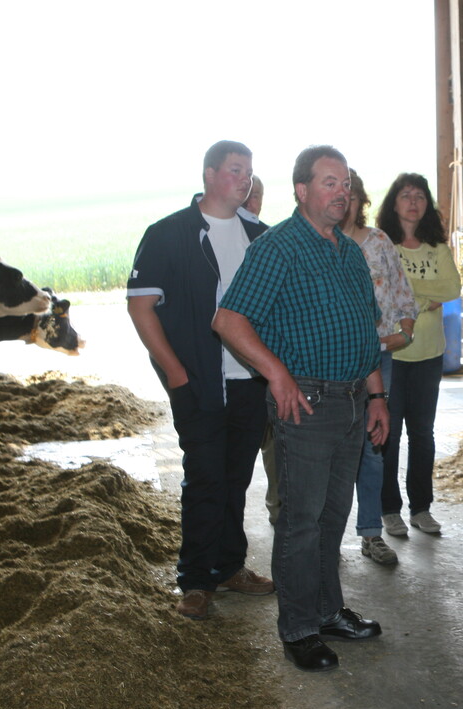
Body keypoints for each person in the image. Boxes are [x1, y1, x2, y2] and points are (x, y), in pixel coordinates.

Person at [212, 145, 387, 673]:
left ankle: (328, 611)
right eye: (329, 183)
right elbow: (229, 320)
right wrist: (278, 374)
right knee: (301, 522)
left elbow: (367, 330)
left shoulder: (350, 251)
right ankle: (299, 628)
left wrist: (376, 394)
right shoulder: (279, 247)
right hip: (307, 402)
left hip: (354, 399)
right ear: (302, 190)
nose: (342, 192)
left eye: (346, 184)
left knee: (333, 517)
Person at [127, 140, 274, 621]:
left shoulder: (261, 236)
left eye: (249, 172)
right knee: (205, 477)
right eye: (235, 170)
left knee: (237, 478)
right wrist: (175, 372)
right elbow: (140, 306)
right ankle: (194, 580)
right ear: (209, 174)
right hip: (199, 381)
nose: (244, 179)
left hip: (250, 381)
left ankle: (230, 567)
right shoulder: (170, 234)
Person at [375, 172, 461, 537]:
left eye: (420, 196)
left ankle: (421, 508)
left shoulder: (437, 248)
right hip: (392, 354)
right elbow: (387, 290)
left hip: (428, 353)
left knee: (423, 434)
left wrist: (411, 294)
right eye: (406, 195)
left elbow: (452, 287)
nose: (413, 201)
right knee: (389, 435)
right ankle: (388, 509)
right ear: (394, 203)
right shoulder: (383, 246)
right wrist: (425, 297)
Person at [344, 168, 419, 563]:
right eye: (337, 192)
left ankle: (371, 533)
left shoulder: (378, 242)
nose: (345, 201)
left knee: (374, 446)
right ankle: (324, 536)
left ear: (361, 200)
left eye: (351, 194)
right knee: (332, 447)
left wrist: (405, 332)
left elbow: (403, 295)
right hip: (332, 363)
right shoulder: (320, 244)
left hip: (380, 357)